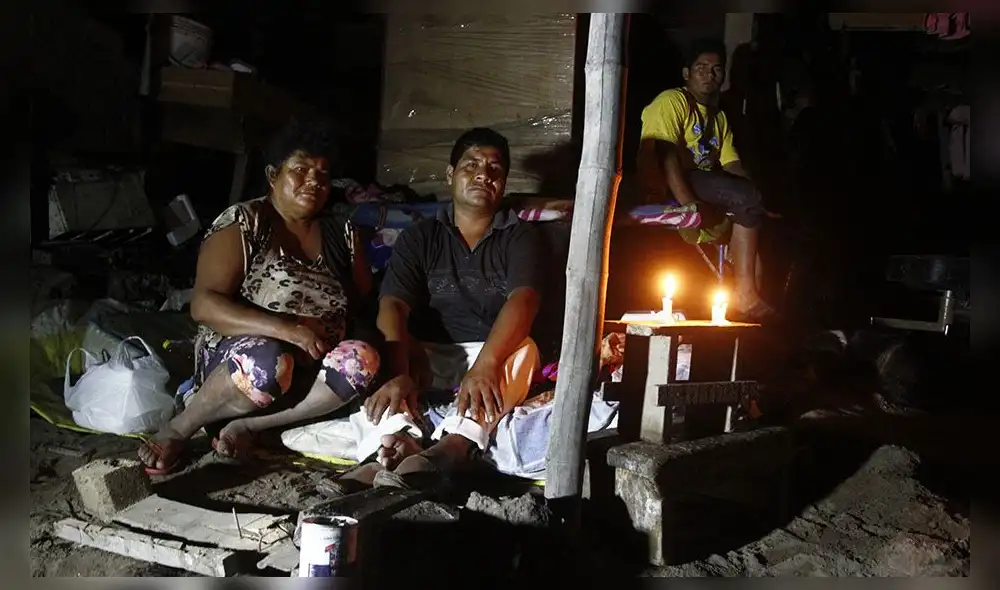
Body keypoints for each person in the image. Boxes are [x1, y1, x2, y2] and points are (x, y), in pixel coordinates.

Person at [138, 119, 381, 474]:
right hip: (243, 358)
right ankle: (180, 427)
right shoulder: (246, 222)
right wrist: (287, 329)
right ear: (273, 175)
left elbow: (362, 305)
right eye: (300, 169)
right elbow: (204, 304)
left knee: (363, 359)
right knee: (268, 361)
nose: (313, 180)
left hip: (310, 366)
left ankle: (251, 426)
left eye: (323, 174)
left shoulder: (343, 235)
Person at [327, 127, 543, 493]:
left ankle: (457, 443)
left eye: (494, 169)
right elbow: (393, 303)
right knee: (382, 352)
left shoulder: (519, 236)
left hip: (490, 354)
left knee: (525, 350)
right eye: (471, 164)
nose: (482, 174)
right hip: (427, 356)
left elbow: (523, 299)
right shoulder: (421, 236)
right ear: (450, 174)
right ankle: (393, 445)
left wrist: (486, 365)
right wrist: (399, 371)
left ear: (503, 183)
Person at [636, 38, 776, 319]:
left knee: (756, 215)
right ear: (686, 73)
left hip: (703, 182)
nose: (709, 75)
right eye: (701, 67)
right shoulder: (672, 101)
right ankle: (745, 297)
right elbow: (665, 155)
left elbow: (732, 163)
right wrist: (688, 204)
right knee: (743, 199)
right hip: (669, 183)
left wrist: (757, 197)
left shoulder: (718, 117)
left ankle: (746, 308)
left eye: (717, 69)